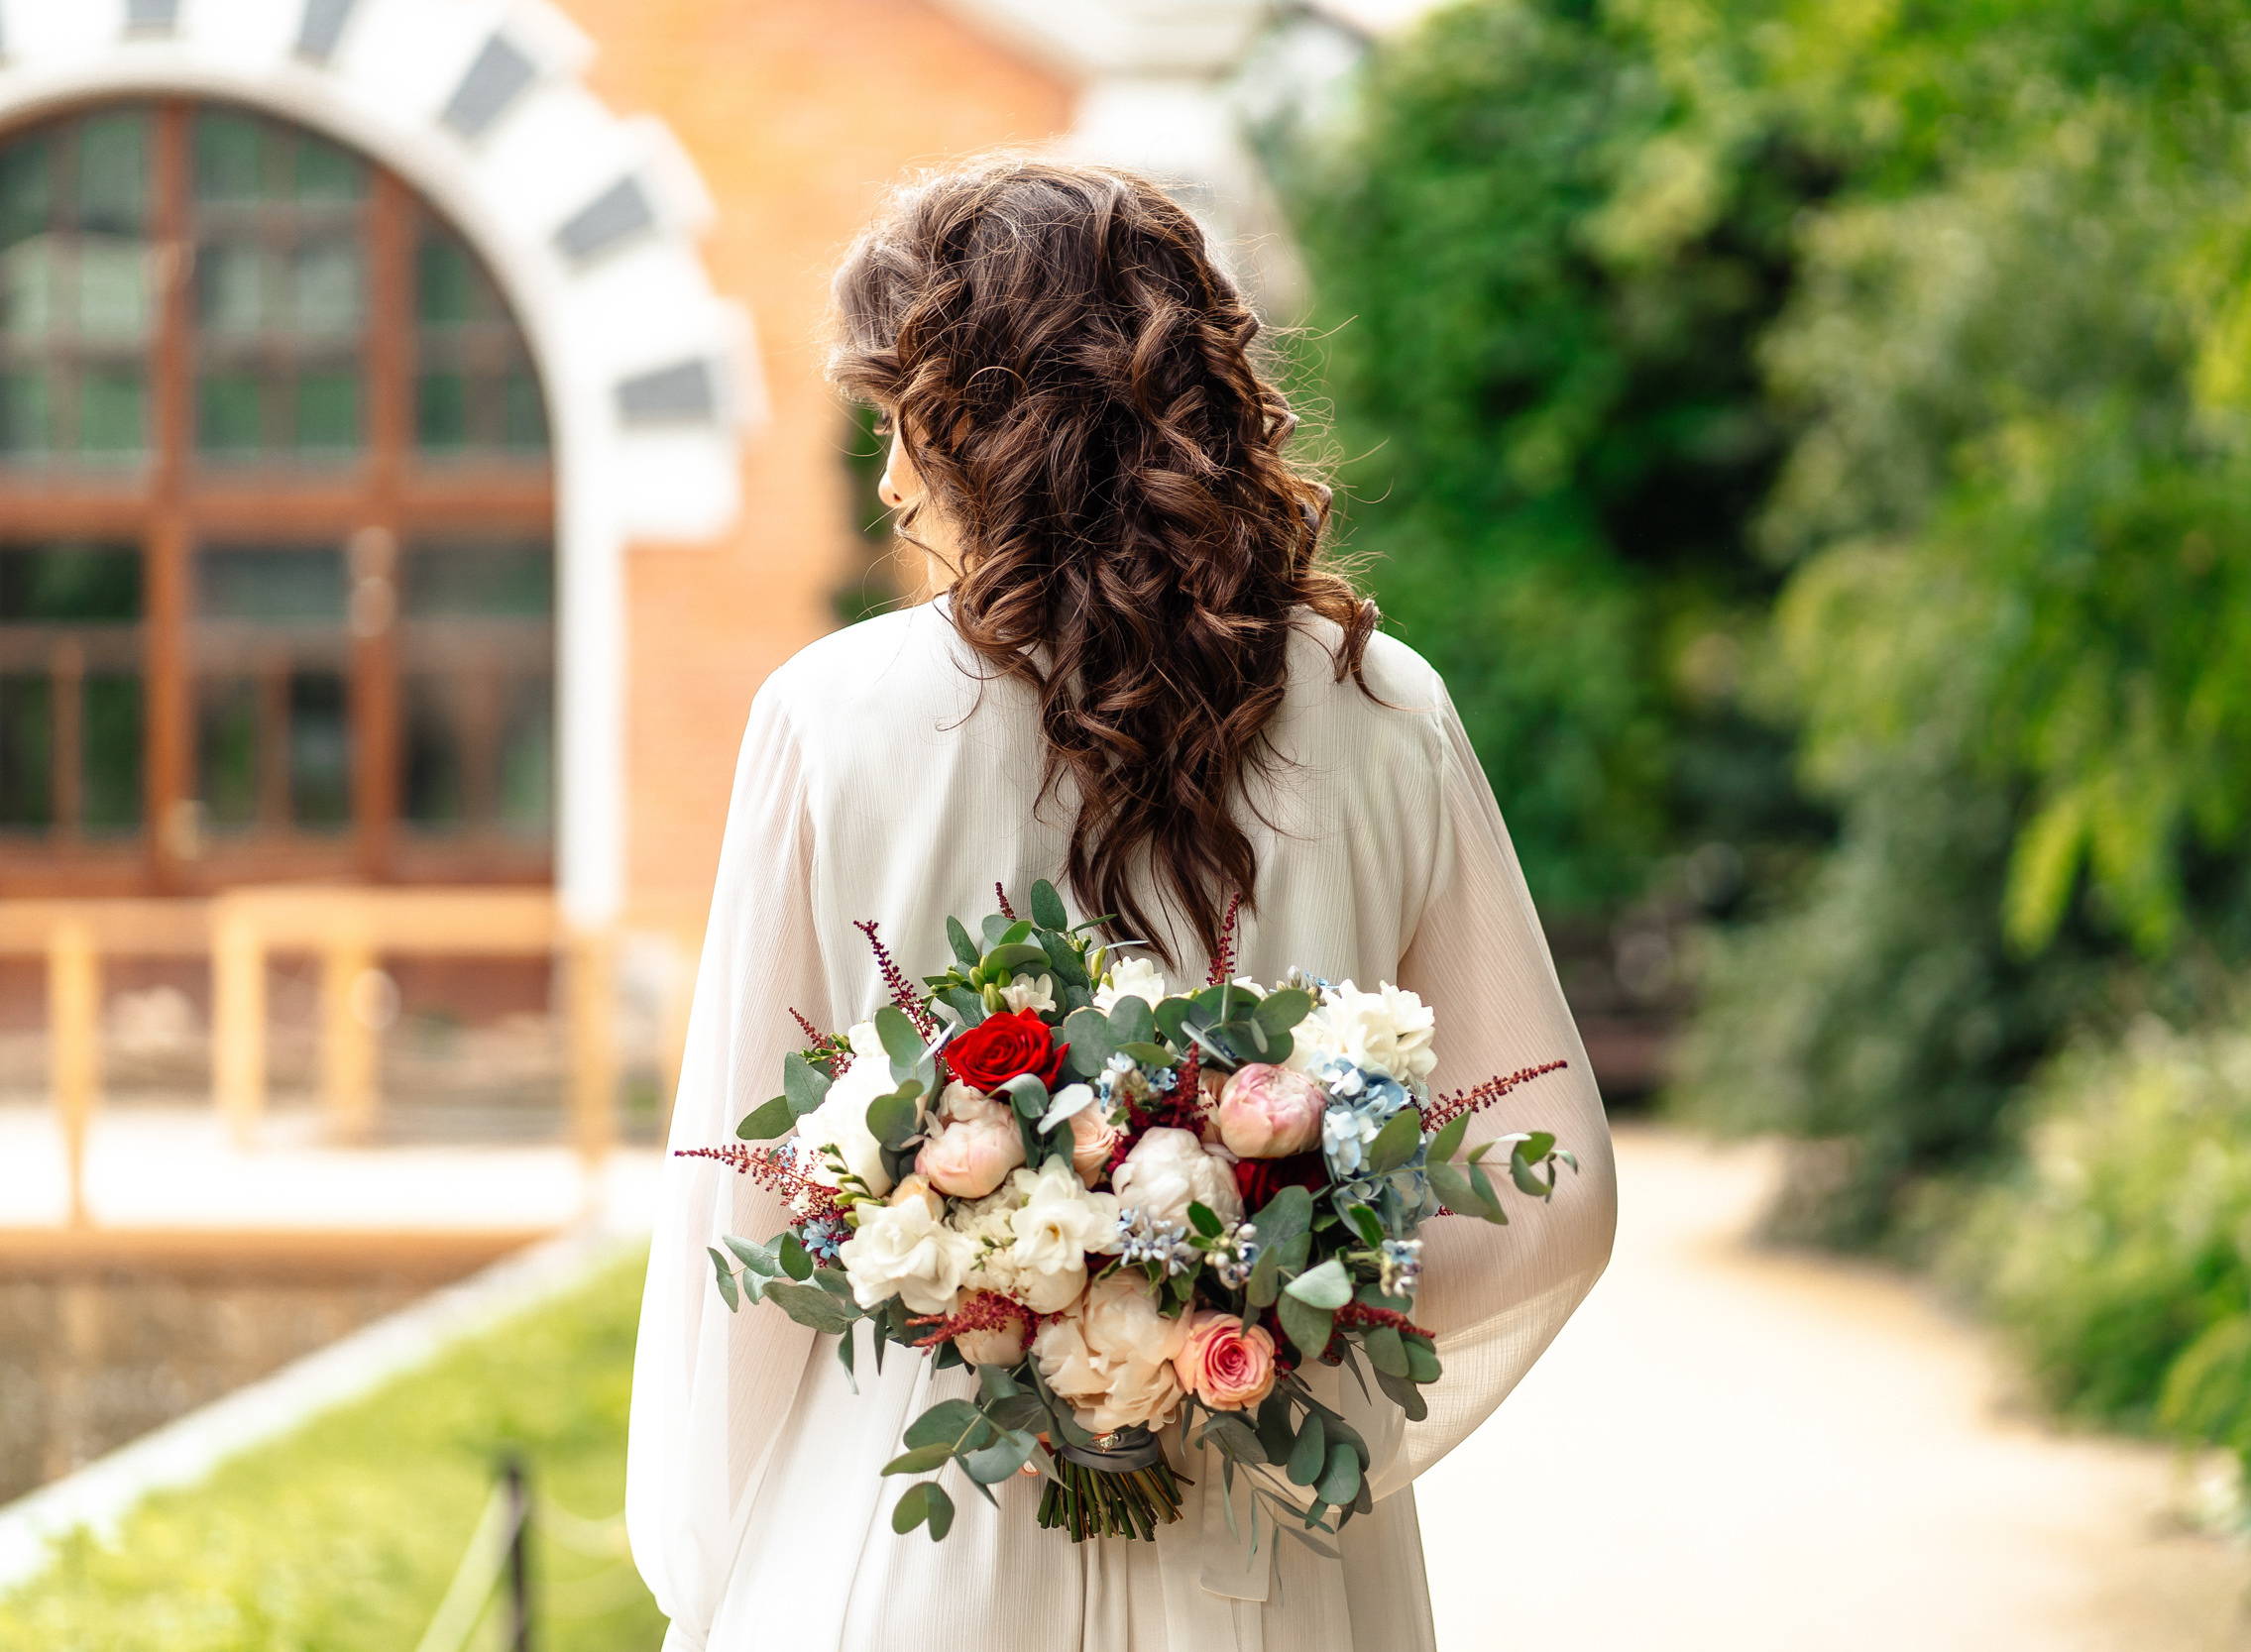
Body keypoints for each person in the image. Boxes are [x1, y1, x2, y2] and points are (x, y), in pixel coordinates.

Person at [626, 157, 1617, 1652]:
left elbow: (740, 1194)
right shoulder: (1383, 707)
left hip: (911, 1562)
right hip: (1270, 1558)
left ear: (984, 425)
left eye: (902, 423)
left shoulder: (827, 716)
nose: (891, 482)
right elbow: (1559, 1184)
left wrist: (715, 1574)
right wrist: (1275, 1330)